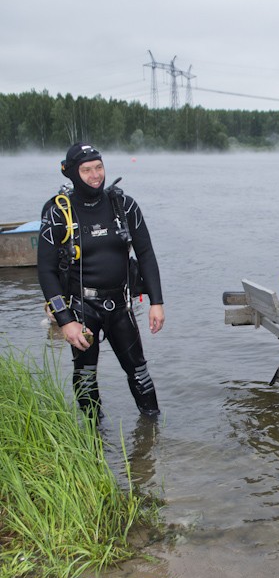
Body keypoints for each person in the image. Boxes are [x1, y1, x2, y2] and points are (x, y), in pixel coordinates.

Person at [38, 142, 164, 417]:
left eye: (99, 167)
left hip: (120, 304)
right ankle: (92, 438)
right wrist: (66, 321)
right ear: (71, 173)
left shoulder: (124, 206)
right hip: (81, 307)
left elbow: (146, 254)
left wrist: (157, 302)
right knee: (85, 375)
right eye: (86, 170)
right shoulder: (59, 212)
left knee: (139, 371)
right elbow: (45, 270)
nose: (95, 175)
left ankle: (152, 437)